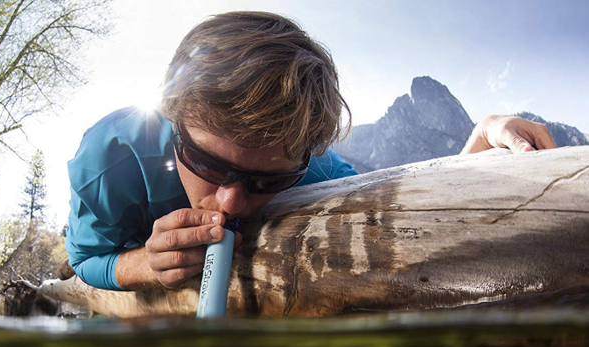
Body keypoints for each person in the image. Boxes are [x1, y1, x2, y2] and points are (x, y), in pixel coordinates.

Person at [66, 11, 556, 293]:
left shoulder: (308, 166)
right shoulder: (110, 157)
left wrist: (480, 140)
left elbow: (395, 194)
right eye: (210, 165)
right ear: (172, 115)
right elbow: (86, 256)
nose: (232, 202)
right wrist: (143, 266)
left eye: (267, 182)